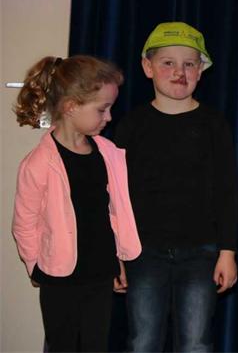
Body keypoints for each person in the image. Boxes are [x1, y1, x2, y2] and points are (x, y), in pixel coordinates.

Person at [115, 22, 238, 352]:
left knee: (196, 342)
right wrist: (117, 253)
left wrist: (228, 252)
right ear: (148, 67)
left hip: (201, 252)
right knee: (142, 342)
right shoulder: (131, 126)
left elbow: (227, 191)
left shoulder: (214, 125)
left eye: (189, 64)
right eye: (168, 62)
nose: (179, 72)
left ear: (201, 70)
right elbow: (117, 196)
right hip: (143, 252)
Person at [12, 55, 141, 352]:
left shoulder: (107, 152)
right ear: (71, 107)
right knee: (62, 345)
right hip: (60, 277)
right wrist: (35, 267)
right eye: (102, 109)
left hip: (100, 273)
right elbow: (24, 223)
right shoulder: (39, 163)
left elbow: (112, 212)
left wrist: (117, 258)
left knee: (95, 345)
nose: (109, 117)